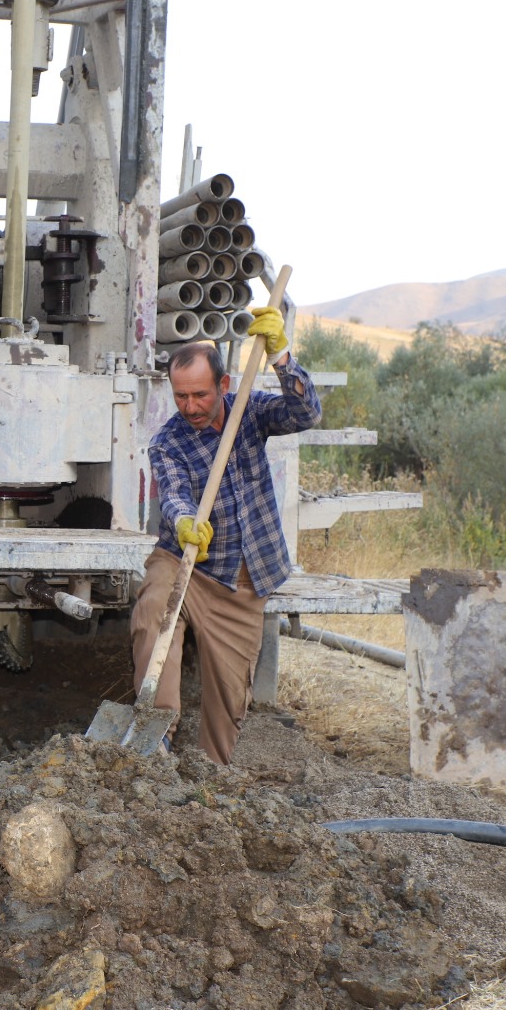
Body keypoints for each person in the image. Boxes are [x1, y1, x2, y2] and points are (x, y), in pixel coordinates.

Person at [130, 308, 321, 764]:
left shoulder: (250, 412)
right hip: (185, 565)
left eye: (199, 394)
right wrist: (181, 521)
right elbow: (173, 494)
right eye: (180, 396)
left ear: (224, 386)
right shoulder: (168, 441)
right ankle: (155, 743)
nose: (190, 407)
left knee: (231, 695)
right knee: (153, 609)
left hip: (243, 577)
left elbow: (305, 413)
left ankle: (210, 775)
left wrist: (281, 356)